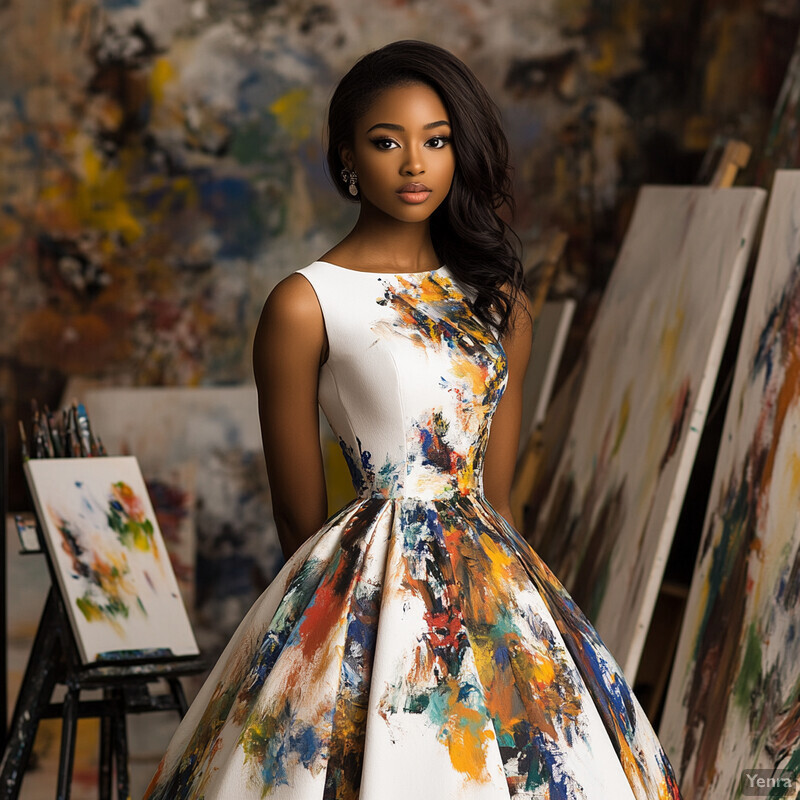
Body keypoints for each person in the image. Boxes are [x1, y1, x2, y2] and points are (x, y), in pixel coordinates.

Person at [143, 40, 682, 800]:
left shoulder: (497, 302)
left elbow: (502, 495)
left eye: (436, 141)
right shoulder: (305, 303)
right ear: (347, 158)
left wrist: (516, 602)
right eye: (386, 141)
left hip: (496, 579)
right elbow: (297, 515)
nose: (414, 164)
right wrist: (341, 632)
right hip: (359, 584)